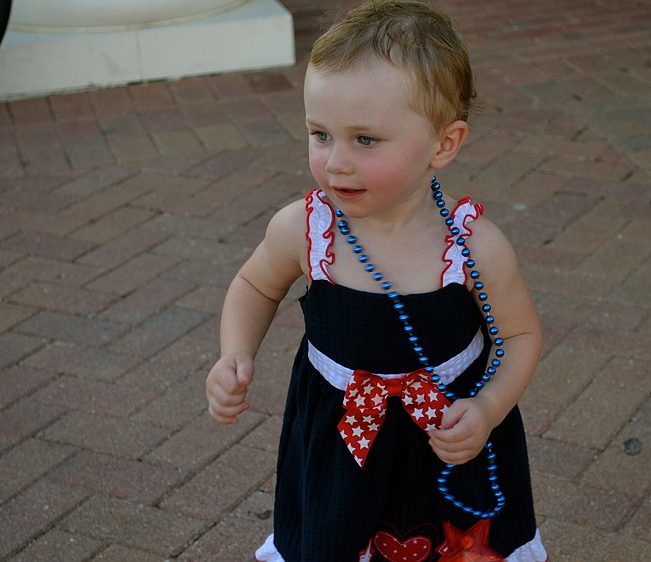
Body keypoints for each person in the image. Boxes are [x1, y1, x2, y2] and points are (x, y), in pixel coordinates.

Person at [205, 1, 548, 560]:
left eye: (365, 140)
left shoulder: (472, 247)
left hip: (449, 440)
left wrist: (486, 411)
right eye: (320, 134)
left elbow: (520, 337)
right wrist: (234, 352)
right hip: (341, 446)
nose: (336, 162)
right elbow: (255, 286)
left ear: (443, 143)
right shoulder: (305, 230)